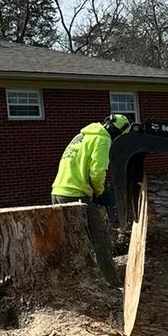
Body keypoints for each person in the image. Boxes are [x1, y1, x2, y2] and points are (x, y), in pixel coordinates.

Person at [51, 112, 132, 280]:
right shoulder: (103, 140)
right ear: (118, 133)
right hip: (76, 193)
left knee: (72, 240)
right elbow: (97, 172)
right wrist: (99, 192)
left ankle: (77, 280)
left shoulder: (81, 136)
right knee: (100, 239)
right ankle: (111, 282)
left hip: (58, 191)